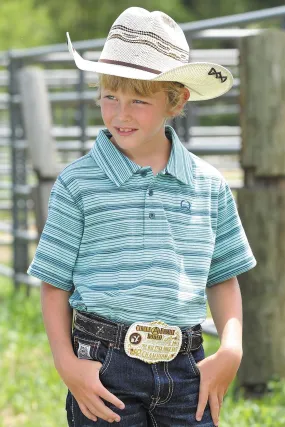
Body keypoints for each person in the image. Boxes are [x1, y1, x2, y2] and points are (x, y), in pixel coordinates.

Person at [27, 6, 257, 427]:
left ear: (176, 100)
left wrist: (232, 348)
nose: (120, 113)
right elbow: (54, 284)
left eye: (138, 100)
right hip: (103, 366)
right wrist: (66, 363)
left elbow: (222, 276)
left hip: (188, 367)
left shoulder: (209, 186)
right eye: (110, 96)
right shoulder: (78, 184)